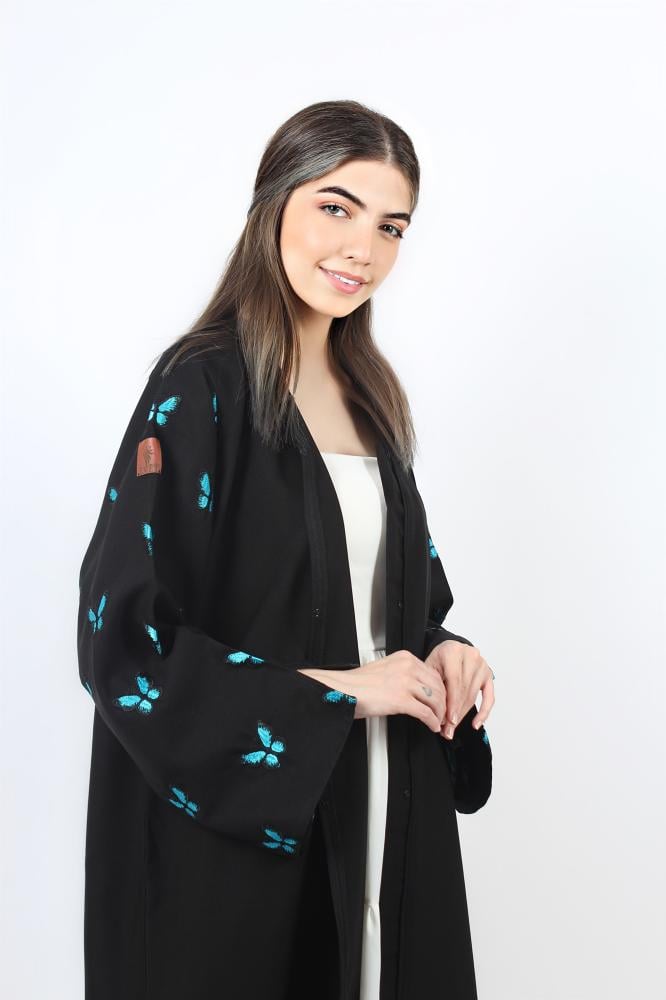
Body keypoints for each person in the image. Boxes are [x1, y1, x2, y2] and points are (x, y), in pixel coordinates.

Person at [77, 99, 495, 1000]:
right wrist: (341, 692)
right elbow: (125, 640)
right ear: (274, 202)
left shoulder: (370, 399)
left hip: (385, 806)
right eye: (336, 208)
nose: (362, 250)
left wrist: (445, 653)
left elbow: (397, 609)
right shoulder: (199, 388)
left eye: (391, 227)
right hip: (251, 834)